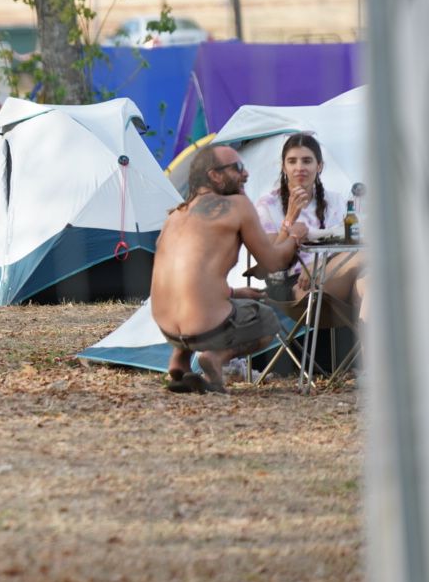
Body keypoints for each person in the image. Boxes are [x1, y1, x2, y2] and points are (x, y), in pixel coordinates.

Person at [150, 144, 307, 393]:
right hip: (204, 327)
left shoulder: (176, 215)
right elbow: (273, 263)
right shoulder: (237, 205)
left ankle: (178, 359)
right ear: (215, 175)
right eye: (238, 168)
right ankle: (215, 357)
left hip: (166, 327)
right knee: (266, 318)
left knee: (204, 303)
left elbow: (190, 277)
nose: (246, 174)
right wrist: (295, 235)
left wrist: (233, 293)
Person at [252, 132, 368, 323]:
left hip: (336, 276)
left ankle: (372, 352)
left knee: (372, 285)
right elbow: (271, 264)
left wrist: (317, 265)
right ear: (283, 166)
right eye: (292, 161)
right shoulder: (267, 205)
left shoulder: (336, 201)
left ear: (319, 166)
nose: (300, 168)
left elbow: (353, 241)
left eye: (307, 161)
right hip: (297, 286)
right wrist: (289, 218)